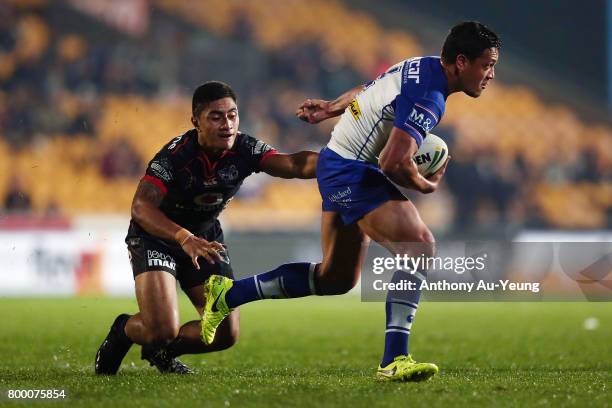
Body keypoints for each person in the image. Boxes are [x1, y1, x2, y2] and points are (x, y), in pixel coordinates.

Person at [200, 21, 501, 381]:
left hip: (338, 162)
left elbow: (369, 90)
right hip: (351, 170)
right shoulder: (430, 97)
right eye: (487, 65)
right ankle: (395, 359)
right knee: (419, 246)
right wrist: (425, 184)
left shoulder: (420, 64)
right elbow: (392, 162)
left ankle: (228, 295)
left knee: (335, 279)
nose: (491, 75)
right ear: (462, 62)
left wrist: (331, 107)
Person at [94, 81, 318, 375]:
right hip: (156, 238)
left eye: (232, 115)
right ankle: (124, 330)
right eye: (216, 116)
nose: (227, 124)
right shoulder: (175, 157)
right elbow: (141, 207)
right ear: (195, 121)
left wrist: (338, 162)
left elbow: (293, 165)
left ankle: (161, 351)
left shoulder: (245, 148)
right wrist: (183, 237)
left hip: (205, 239)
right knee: (161, 327)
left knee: (224, 335)